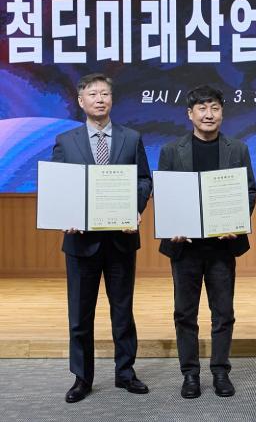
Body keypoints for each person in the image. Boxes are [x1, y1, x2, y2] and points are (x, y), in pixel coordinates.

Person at [51, 73, 152, 403]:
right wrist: (65, 215)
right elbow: (59, 185)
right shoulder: (66, 141)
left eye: (105, 93)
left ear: (112, 99)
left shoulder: (131, 137)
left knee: (122, 311)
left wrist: (134, 209)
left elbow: (143, 180)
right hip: (81, 242)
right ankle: (82, 377)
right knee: (80, 315)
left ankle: (126, 372)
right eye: (93, 94)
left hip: (121, 238)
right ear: (81, 101)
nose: (100, 99)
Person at [158, 85, 256, 399]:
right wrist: (172, 225)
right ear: (190, 114)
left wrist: (237, 221)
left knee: (223, 312)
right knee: (184, 313)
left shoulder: (237, 149)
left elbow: (250, 190)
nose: (208, 114)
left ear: (222, 112)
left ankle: (220, 372)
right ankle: (190, 374)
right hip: (184, 247)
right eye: (202, 108)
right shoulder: (171, 150)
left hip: (221, 246)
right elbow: (165, 193)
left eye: (214, 107)